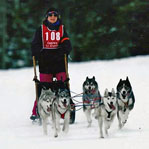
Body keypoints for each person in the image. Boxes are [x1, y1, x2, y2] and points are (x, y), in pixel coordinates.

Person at [30, 7, 75, 123]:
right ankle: (37, 110)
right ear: (47, 17)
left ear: (57, 17)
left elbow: (67, 43)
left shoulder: (62, 29)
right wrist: (40, 53)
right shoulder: (40, 29)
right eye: (50, 15)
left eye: (55, 15)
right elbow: (35, 44)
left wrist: (63, 50)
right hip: (46, 61)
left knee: (63, 84)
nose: (53, 17)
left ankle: (66, 109)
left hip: (59, 60)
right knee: (44, 86)